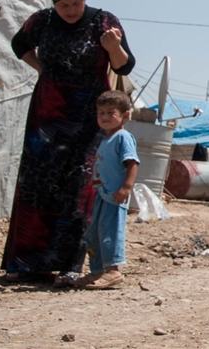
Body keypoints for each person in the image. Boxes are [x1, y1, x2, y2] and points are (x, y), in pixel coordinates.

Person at [2, 0, 136, 285]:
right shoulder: (42, 21)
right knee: (37, 183)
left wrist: (112, 46)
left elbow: (125, 65)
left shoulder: (104, 22)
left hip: (89, 115)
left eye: (76, 3)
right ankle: (29, 264)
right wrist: (41, 68)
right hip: (47, 117)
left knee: (79, 186)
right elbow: (18, 43)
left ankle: (71, 266)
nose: (71, 10)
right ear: (54, 3)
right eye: (64, 5)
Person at [71, 90, 139, 290]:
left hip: (115, 195)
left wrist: (126, 187)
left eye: (111, 112)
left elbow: (132, 163)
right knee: (94, 233)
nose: (105, 117)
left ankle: (113, 271)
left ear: (125, 115)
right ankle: (97, 271)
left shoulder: (123, 137)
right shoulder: (105, 138)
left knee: (110, 232)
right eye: (101, 113)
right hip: (102, 194)